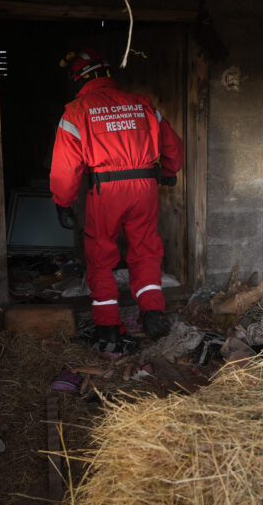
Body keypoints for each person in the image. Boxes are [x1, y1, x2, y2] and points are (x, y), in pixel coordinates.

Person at [50, 47, 184, 352]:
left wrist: (63, 202)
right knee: (146, 251)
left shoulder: (77, 110)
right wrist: (168, 168)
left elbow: (65, 168)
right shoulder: (142, 104)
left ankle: (108, 326)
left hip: (106, 191)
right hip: (144, 188)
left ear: (79, 79)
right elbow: (173, 144)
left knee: (101, 257)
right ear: (108, 73)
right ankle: (152, 312)